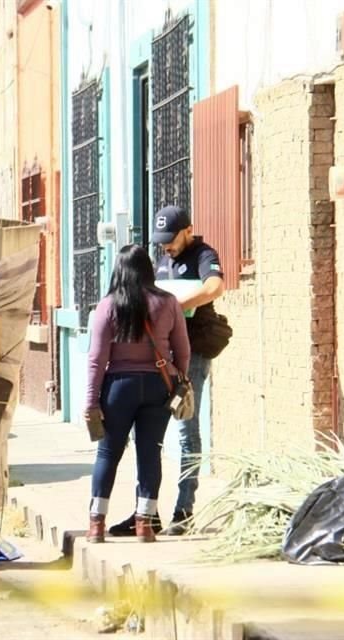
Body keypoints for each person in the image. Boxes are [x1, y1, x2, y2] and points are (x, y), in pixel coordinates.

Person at [108, 205, 227, 538]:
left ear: (188, 230)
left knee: (187, 430)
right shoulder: (160, 261)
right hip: (160, 357)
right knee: (147, 434)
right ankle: (145, 513)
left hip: (194, 352)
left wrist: (176, 307)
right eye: (161, 242)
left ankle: (184, 509)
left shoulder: (203, 255)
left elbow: (215, 287)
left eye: (171, 240)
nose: (166, 247)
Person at [84, 245, 190, 544]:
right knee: (150, 451)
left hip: (118, 386)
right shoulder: (168, 303)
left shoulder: (108, 306)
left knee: (108, 452)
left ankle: (96, 524)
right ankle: (144, 524)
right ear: (148, 269)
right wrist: (178, 380)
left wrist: (91, 400)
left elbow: (96, 358)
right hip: (159, 384)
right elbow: (183, 350)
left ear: (118, 270)